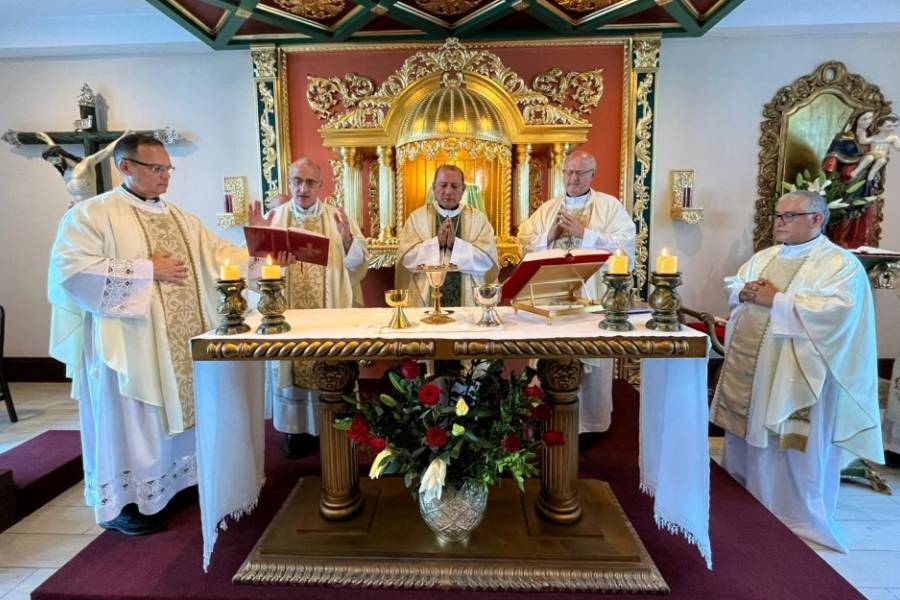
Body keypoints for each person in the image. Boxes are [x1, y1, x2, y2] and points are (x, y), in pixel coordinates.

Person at [48, 133, 271, 535]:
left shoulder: (182, 219)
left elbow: (221, 257)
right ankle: (129, 502)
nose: (166, 176)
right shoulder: (92, 215)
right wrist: (147, 269)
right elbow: (71, 272)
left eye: (169, 168)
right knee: (136, 420)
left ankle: (177, 483)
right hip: (130, 345)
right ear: (126, 167)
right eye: (156, 168)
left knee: (179, 413)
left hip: (181, 343)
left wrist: (260, 253)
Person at [710, 190, 883, 551]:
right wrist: (743, 292)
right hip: (755, 374)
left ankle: (793, 513)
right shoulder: (766, 256)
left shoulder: (839, 265)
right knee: (750, 440)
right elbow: (736, 284)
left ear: (816, 219)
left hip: (799, 379)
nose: (779, 222)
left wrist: (777, 299)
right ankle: (745, 502)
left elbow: (837, 312)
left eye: (788, 216)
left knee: (787, 449)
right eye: (777, 215)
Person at [517, 149, 636, 435]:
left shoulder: (609, 207)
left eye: (580, 173)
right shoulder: (548, 209)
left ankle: (590, 427)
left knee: (591, 361)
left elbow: (626, 245)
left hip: (591, 300)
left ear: (592, 175)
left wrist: (586, 234)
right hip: (551, 301)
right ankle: (548, 421)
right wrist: (549, 237)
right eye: (569, 172)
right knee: (552, 360)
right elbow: (523, 242)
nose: (573, 178)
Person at [263, 158, 368, 457]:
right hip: (290, 311)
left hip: (329, 311)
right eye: (297, 181)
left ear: (321, 185)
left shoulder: (337, 217)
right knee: (292, 364)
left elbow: (358, 264)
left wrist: (347, 240)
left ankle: (334, 424)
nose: (303, 188)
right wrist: (275, 264)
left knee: (329, 364)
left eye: (310, 182)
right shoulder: (276, 217)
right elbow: (259, 268)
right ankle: (295, 431)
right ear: (289, 182)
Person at [396, 164, 498, 308]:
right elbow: (407, 260)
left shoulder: (478, 220)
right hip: (425, 303)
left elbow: (487, 263)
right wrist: (437, 243)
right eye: (443, 185)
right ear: (434, 187)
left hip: (467, 305)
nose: (448, 191)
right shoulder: (417, 218)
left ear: (463, 189)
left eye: (455, 186)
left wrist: (456, 245)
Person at [38, 130, 133, 206]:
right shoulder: (66, 172)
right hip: (76, 209)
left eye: (53, 160)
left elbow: (106, 151)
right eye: (50, 161)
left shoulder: (86, 163)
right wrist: (47, 140)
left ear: (59, 155)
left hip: (90, 208)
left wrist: (124, 137)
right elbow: (54, 150)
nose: (53, 163)